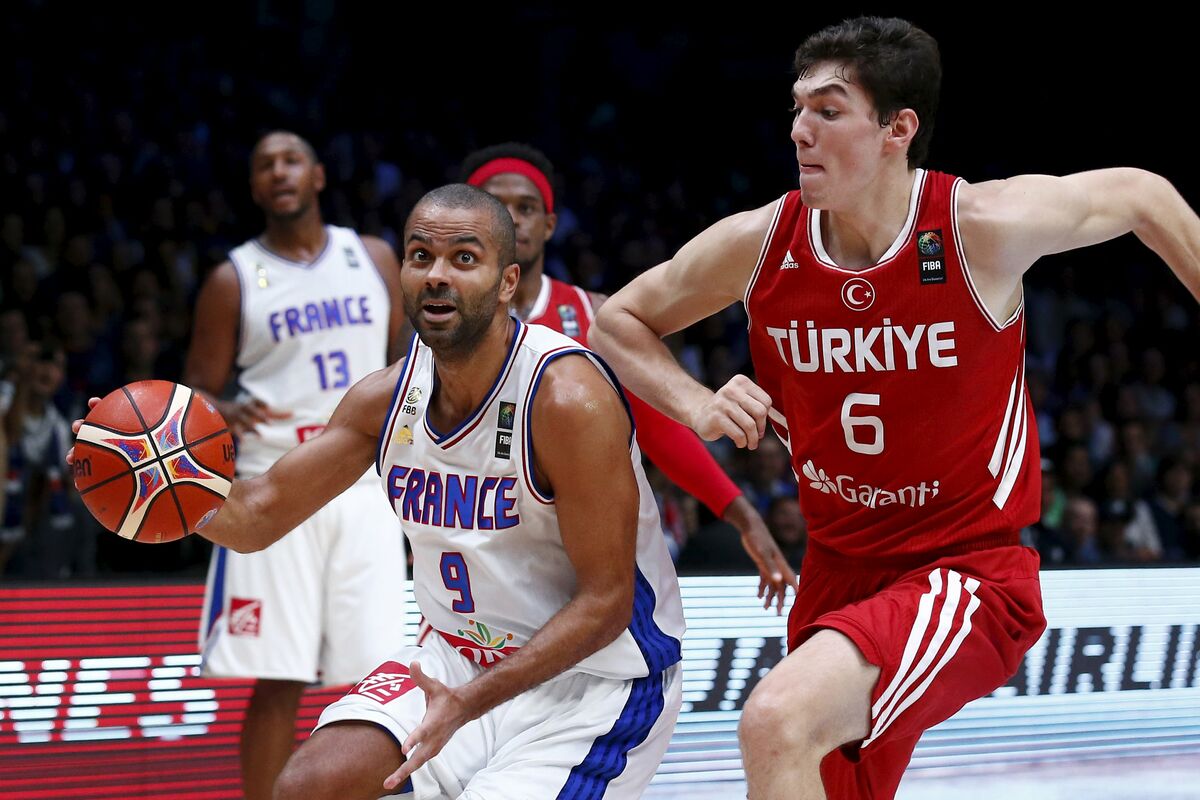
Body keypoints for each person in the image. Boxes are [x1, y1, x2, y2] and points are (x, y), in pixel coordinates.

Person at [590, 16, 1200, 800]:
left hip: (965, 573)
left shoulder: (977, 228)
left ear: (897, 130)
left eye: (828, 110)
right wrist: (697, 402)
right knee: (808, 769)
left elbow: (1143, 194)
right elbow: (617, 320)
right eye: (797, 109)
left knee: (776, 720)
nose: (799, 130)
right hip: (835, 571)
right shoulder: (762, 243)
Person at [72, 184, 684, 798]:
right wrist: (146, 476)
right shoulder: (385, 399)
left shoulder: (566, 399)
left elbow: (606, 603)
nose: (436, 275)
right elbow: (256, 515)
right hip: (458, 660)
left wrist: (470, 701)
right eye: (420, 256)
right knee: (309, 787)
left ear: (507, 282)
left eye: (463, 259)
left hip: (595, 680)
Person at [462, 143, 796, 608]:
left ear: (549, 224)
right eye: (496, 206)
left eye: (526, 208)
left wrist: (745, 517)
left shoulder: (594, 316)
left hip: (584, 557)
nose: (512, 219)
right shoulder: (441, 325)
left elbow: (660, 430)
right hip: (483, 553)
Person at [183, 130, 408, 800]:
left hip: (362, 482)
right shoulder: (232, 279)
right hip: (273, 484)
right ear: (255, 187)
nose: (279, 172)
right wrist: (223, 407)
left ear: (317, 176)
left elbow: (404, 362)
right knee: (279, 677)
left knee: (382, 676)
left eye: (291, 162)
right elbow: (196, 392)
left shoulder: (372, 256)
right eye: (264, 165)